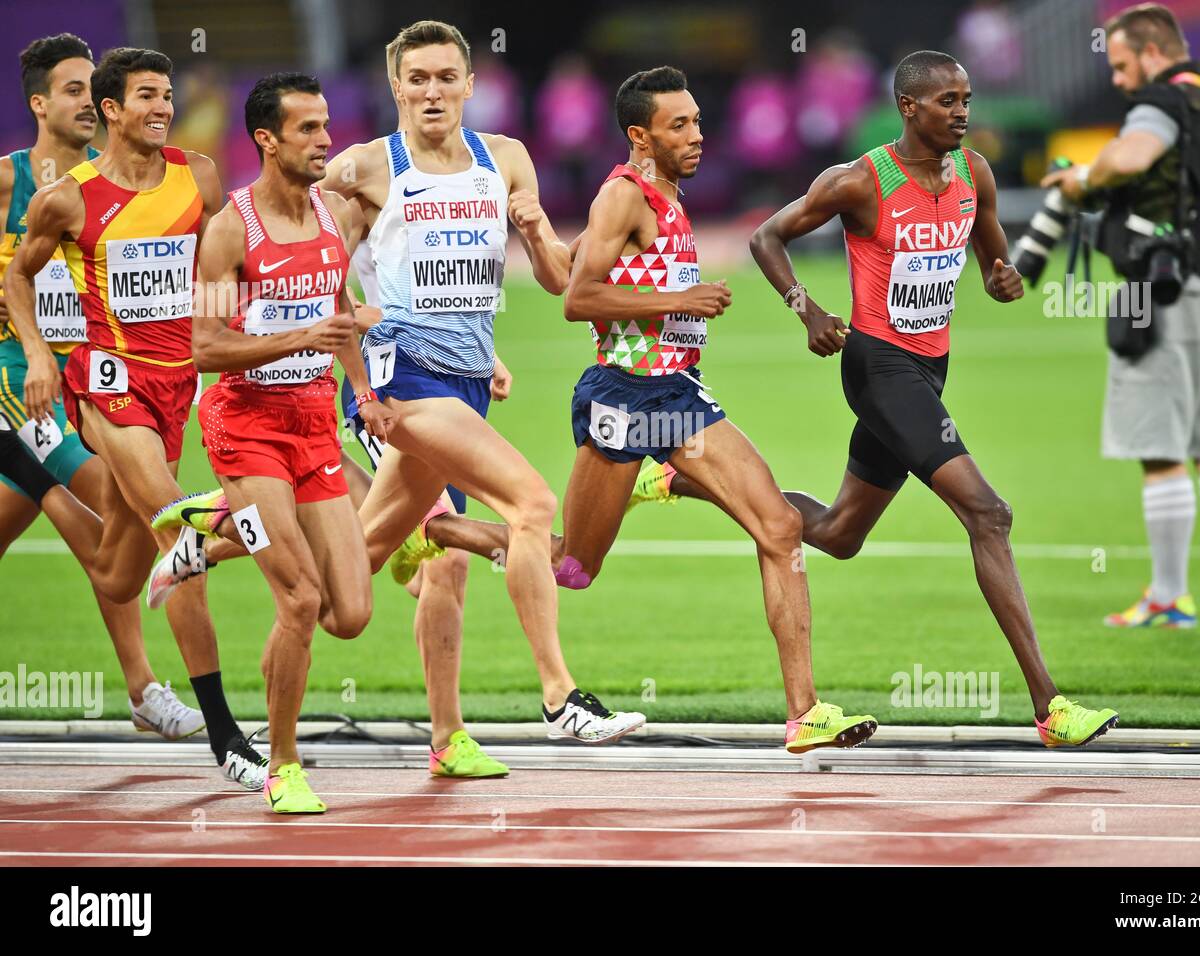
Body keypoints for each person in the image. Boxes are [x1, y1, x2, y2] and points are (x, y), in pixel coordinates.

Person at [655, 50, 1118, 746]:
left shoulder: (974, 172)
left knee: (841, 533)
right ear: (909, 107)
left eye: (966, 99)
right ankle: (1051, 708)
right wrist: (807, 309)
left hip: (931, 369)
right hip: (878, 367)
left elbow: (995, 259)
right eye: (947, 102)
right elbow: (766, 236)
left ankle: (677, 480)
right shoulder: (860, 181)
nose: (963, 112)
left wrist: (1001, 278)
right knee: (989, 514)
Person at [420, 66, 879, 754]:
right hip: (622, 399)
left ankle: (805, 712)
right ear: (641, 135)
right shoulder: (621, 196)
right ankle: (440, 528)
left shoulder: (666, 192)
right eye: (679, 125)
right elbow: (580, 298)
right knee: (572, 567)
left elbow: (572, 270)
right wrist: (680, 301)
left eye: (696, 121)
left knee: (780, 527)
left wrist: (544, 237)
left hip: (676, 394)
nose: (697, 135)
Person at [321, 19, 643, 742]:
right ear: (394, 85)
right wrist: (362, 331)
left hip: (465, 381)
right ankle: (561, 699)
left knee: (350, 589)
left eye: (445, 78)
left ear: (471, 84)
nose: (431, 92)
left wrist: (535, 234)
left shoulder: (505, 159)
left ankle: (228, 525)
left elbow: (565, 285)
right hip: (402, 379)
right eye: (416, 79)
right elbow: (308, 263)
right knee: (530, 504)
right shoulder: (366, 167)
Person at [4, 46, 266, 787]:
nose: (162, 107)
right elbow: (20, 278)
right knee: (178, 525)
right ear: (112, 111)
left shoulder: (199, 176)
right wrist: (40, 355)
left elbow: (227, 258)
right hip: (108, 388)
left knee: (120, 575)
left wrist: (238, 315)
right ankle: (224, 732)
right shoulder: (68, 198)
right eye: (145, 96)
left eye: (167, 95)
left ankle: (28, 471)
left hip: (176, 381)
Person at [160, 73, 394, 813]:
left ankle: (214, 523)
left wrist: (362, 392)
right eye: (308, 130)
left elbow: (339, 309)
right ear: (266, 138)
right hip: (245, 429)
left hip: (314, 425)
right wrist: (300, 338)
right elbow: (203, 347)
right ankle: (281, 764)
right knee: (299, 599)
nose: (326, 140)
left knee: (349, 614)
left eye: (326, 126)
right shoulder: (233, 229)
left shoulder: (334, 215)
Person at [0, 34, 202, 739]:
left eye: (95, 90)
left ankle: (144, 690)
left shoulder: (120, 181)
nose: (88, 101)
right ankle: (147, 688)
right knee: (123, 504)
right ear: (39, 102)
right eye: (72, 89)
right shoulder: (12, 181)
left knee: (95, 521)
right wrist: (30, 348)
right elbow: (17, 275)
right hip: (19, 377)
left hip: (93, 377)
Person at [1040, 3, 1200, 628]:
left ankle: (1169, 596)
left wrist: (1084, 178)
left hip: (1178, 292)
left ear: (1153, 52)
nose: (1116, 79)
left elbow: (1133, 156)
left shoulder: (1162, 104)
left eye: (1120, 64)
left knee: (1161, 450)